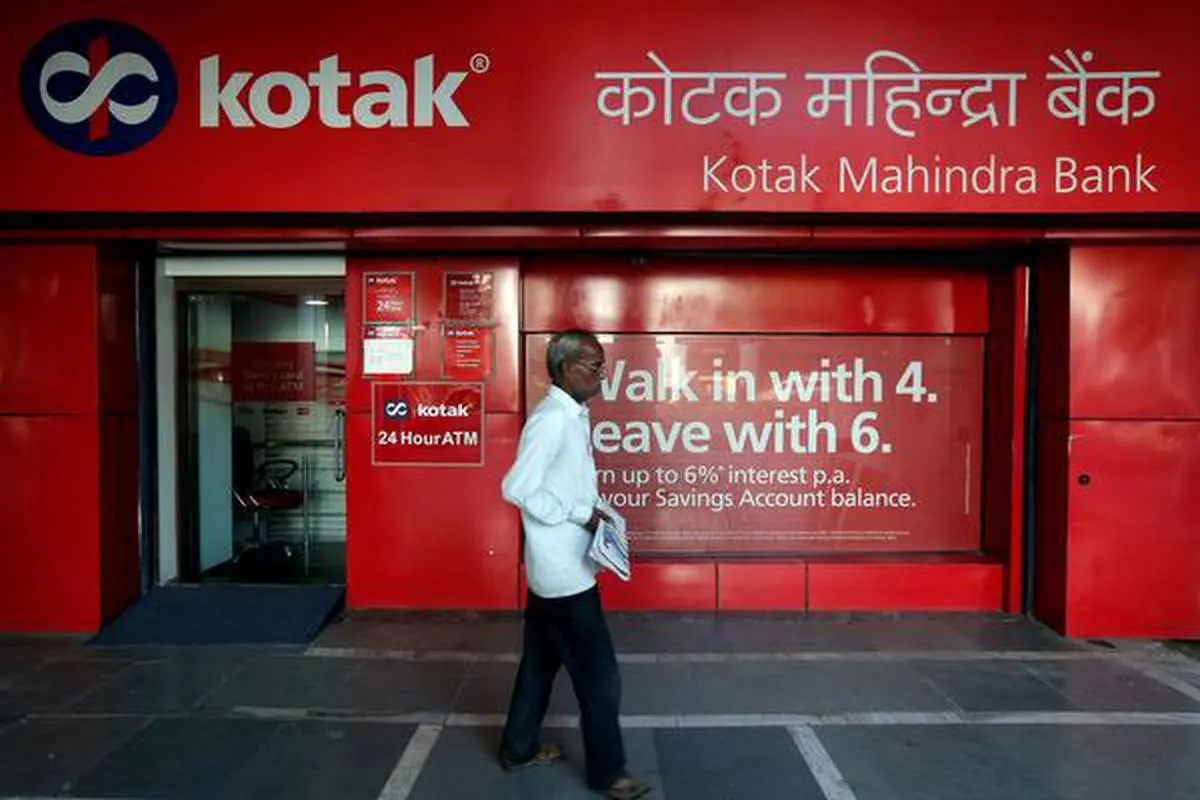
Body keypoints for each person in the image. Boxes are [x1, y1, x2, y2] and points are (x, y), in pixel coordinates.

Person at [498, 330, 651, 800]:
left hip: (556, 570)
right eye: (593, 365)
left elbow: (570, 485)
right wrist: (579, 513)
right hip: (564, 575)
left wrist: (600, 512)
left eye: (602, 365)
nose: (601, 374)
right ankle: (609, 772)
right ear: (566, 369)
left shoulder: (572, 416)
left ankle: (518, 748)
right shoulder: (552, 421)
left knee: (540, 664)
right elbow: (517, 487)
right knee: (599, 674)